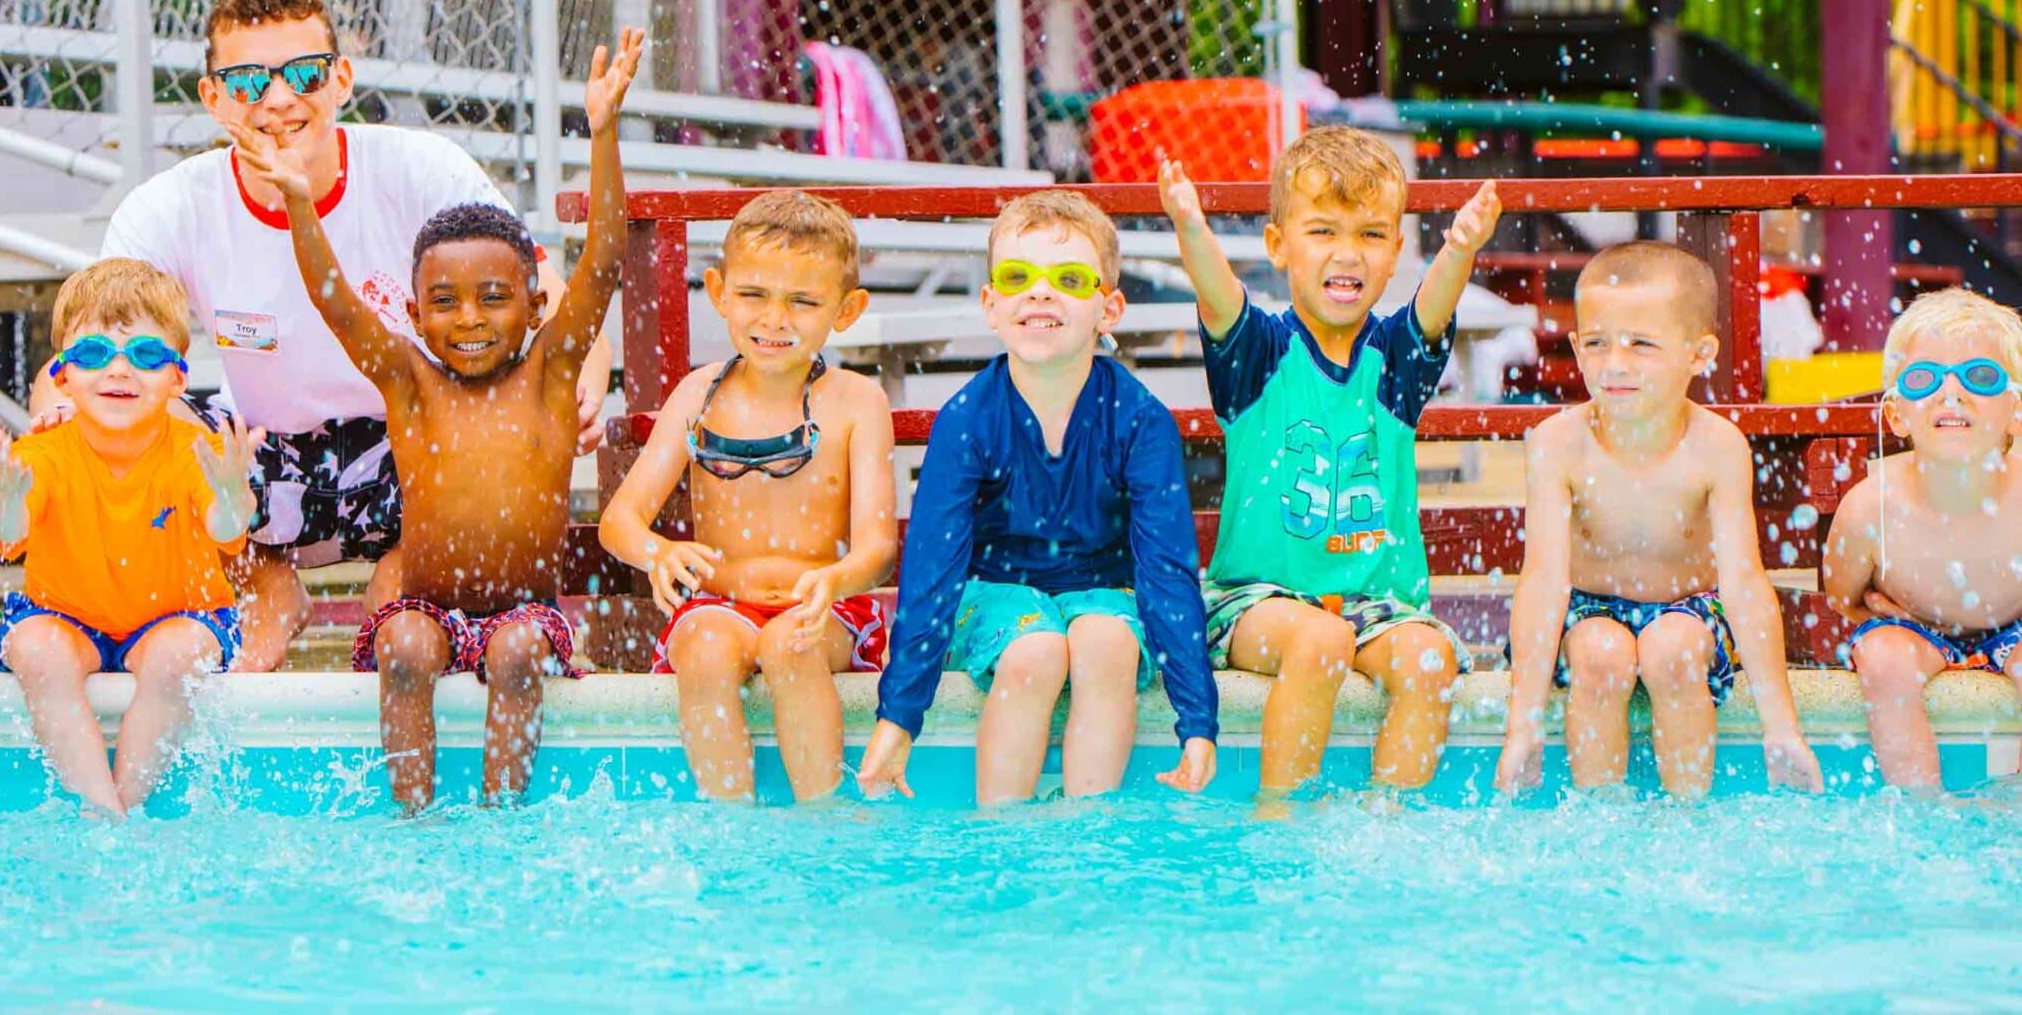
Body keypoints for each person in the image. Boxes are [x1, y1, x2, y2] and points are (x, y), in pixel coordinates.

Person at [51, 0, 610, 674]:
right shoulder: (170, 206)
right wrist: (57, 410)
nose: (280, 99)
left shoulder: (418, 168)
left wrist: (580, 390)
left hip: (412, 437)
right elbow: (93, 349)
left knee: (452, 470)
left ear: (342, 79)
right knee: (163, 423)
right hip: (262, 448)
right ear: (213, 98)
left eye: (305, 74)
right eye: (250, 81)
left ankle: (400, 585)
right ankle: (265, 588)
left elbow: (549, 294)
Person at [241, 28, 643, 812]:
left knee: (520, 651)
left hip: (526, 611)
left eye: (495, 298)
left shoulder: (552, 373)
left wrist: (603, 134)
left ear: (533, 304)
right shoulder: (409, 381)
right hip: (428, 606)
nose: (470, 319)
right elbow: (333, 300)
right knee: (401, 648)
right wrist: (298, 202)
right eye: (446, 303)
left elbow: (601, 263)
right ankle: (414, 819)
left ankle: (501, 817)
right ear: (416, 315)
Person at [1158, 130, 1494, 806]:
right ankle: (1279, 815)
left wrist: (1460, 247)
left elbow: (1432, 312)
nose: (1348, 253)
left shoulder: (1395, 362)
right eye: (1322, 231)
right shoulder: (1260, 355)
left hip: (1378, 605)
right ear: (1279, 245)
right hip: (1257, 600)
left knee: (1432, 660)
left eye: (1372, 234)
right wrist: (1190, 227)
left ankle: (1381, 817)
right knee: (1320, 637)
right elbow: (1221, 299)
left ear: (1397, 251)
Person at [855, 191, 1217, 806]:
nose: (1041, 293)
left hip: (1104, 596)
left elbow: (1167, 571)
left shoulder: (1139, 421)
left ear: (1110, 308)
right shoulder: (967, 420)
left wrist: (1198, 721)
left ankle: (1086, 837)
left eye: (1069, 279)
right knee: (1035, 650)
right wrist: (899, 716)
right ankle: (1004, 843)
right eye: (1018, 277)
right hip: (989, 595)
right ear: (991, 305)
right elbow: (932, 573)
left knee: (1106, 644)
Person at [1494, 242, 1824, 797]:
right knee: (1601, 656)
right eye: (1596, 343)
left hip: (1689, 611)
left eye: (1641, 344)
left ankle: (1687, 822)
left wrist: (1782, 727)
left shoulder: (1717, 446)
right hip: (1588, 610)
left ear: (1699, 354)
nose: (1614, 364)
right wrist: (1521, 726)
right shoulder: (1558, 443)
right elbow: (1544, 581)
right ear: (1575, 348)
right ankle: (1601, 818)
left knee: (1672, 649)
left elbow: (1744, 584)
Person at [598, 190, 897, 803]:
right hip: (721, 605)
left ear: (846, 310)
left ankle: (824, 819)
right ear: (718, 291)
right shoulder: (697, 395)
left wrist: (836, 579)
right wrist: (657, 552)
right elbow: (619, 521)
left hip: (822, 611)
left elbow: (877, 546)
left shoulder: (855, 401)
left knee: (788, 647)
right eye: (754, 295)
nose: (774, 319)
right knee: (704, 653)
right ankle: (729, 821)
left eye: (803, 302)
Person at [0, 258, 261, 817]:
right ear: (61, 376)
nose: (119, 372)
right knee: (35, 649)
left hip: (175, 618)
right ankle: (99, 806)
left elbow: (226, 531)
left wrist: (232, 498)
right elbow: (9, 532)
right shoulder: (41, 453)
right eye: (93, 355)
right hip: (68, 619)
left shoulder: (192, 452)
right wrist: (4, 501)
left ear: (178, 378)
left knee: (179, 655)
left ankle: (123, 808)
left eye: (147, 356)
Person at [1824, 288, 2022, 792]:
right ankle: (1922, 809)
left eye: (1980, 377)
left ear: (2015, 411)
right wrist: (1875, 612)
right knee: (1885, 660)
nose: (1950, 393)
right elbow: (1842, 597)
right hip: (1918, 632)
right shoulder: (1872, 507)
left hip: (2012, 629)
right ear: (1896, 415)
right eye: (1923, 379)